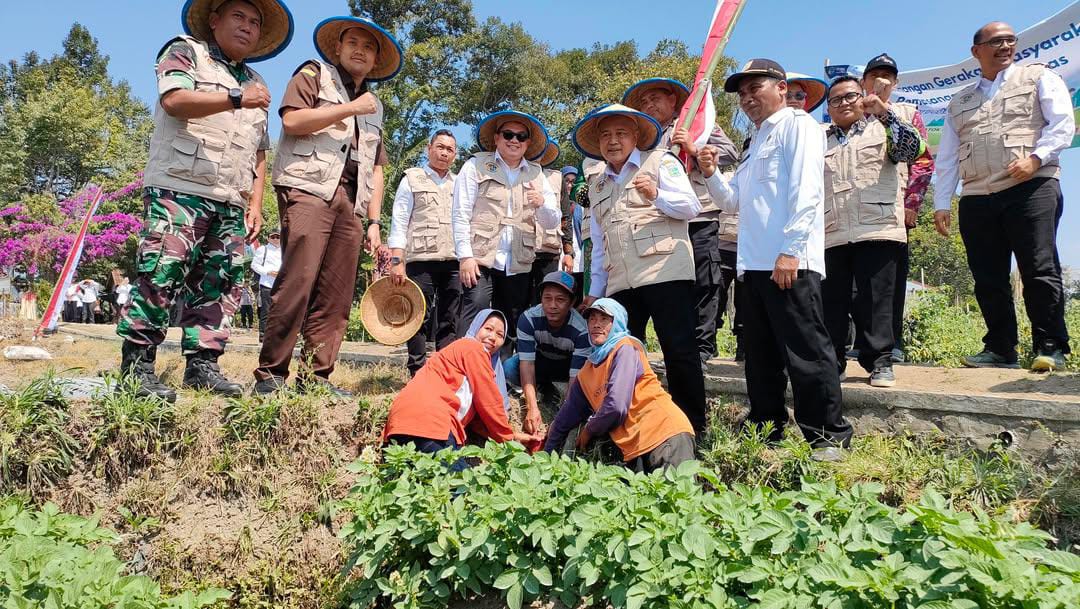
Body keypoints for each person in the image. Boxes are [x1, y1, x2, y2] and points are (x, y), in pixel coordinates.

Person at [115, 0, 290, 402]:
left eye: (255, 22)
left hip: (230, 199)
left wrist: (255, 203)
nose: (247, 27)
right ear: (214, 21)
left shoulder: (256, 81)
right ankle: (137, 367)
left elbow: (259, 151)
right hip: (179, 187)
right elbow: (174, 99)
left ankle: (203, 365)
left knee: (221, 281)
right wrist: (235, 97)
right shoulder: (186, 52)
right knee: (162, 271)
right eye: (238, 17)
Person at [702, 58, 854, 456]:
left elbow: (807, 191)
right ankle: (765, 426)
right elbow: (732, 201)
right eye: (742, 93)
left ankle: (827, 435)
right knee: (760, 355)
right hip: (754, 266)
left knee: (806, 351)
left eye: (756, 88)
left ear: (782, 88)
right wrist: (711, 173)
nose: (747, 98)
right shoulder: (755, 142)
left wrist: (790, 251)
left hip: (789, 263)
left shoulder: (798, 125)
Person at [254, 16, 398, 396]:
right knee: (298, 280)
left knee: (336, 293)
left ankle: (315, 378)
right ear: (338, 47)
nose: (360, 51)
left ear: (375, 60)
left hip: (351, 203)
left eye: (369, 48)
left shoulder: (375, 105)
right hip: (308, 189)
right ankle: (271, 375)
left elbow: (377, 167)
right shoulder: (314, 74)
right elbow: (292, 120)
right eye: (353, 43)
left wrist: (374, 222)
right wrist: (349, 109)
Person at [933, 22, 1074, 372]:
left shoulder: (1038, 77)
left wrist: (1036, 158)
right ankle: (1000, 348)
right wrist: (942, 203)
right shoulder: (960, 101)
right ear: (976, 51)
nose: (1005, 46)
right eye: (996, 41)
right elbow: (947, 156)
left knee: (1038, 268)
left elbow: (1062, 124)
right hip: (977, 195)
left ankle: (1050, 345)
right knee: (987, 276)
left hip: (1032, 186)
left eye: (1010, 40)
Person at [572, 104, 708, 436]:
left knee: (679, 350)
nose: (613, 141)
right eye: (606, 135)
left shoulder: (660, 161)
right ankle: (632, 426)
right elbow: (600, 244)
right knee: (622, 353)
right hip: (620, 282)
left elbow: (691, 207)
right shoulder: (597, 185)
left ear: (636, 136)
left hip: (665, 272)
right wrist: (595, 292)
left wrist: (656, 195)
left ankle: (691, 427)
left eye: (621, 133)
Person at [623, 78, 741, 366]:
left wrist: (693, 147)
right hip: (660, 219)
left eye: (655, 99)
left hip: (699, 215)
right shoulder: (645, 137)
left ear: (673, 100)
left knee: (705, 282)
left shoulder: (694, 126)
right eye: (644, 102)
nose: (649, 105)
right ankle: (673, 346)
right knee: (671, 285)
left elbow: (730, 153)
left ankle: (703, 346)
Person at [819, 75, 925, 388]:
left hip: (878, 228)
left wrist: (883, 112)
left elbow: (912, 149)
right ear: (829, 108)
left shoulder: (883, 127)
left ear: (862, 97)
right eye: (835, 100)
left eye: (850, 96)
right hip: (832, 232)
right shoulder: (820, 140)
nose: (843, 103)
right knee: (832, 304)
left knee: (877, 302)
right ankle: (833, 363)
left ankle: (880, 362)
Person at [544, 298, 695, 474]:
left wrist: (589, 430)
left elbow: (616, 406)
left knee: (678, 491)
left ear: (618, 323)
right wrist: (544, 459)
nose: (596, 324)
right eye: (592, 319)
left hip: (665, 435)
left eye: (604, 319)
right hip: (637, 447)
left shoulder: (626, 348)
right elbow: (564, 419)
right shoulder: (587, 371)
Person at [451, 110, 561, 349]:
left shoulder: (537, 173)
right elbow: (460, 213)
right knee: (474, 314)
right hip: (480, 259)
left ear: (528, 143)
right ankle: (462, 368)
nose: (514, 140)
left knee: (511, 322)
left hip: (519, 262)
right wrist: (465, 257)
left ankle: (502, 372)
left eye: (521, 136)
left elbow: (552, 222)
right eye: (508, 134)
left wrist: (541, 203)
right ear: (497, 138)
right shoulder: (475, 165)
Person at [859, 53, 936, 364]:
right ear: (863, 81)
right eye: (875, 75)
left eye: (888, 77)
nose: (881, 81)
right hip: (849, 208)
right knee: (851, 282)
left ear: (896, 83)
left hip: (891, 207)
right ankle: (859, 342)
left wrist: (912, 203)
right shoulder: (849, 111)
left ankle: (892, 343)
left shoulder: (906, 113)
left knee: (888, 280)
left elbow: (923, 161)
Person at [382, 309, 540, 458]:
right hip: (430, 424)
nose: (492, 337)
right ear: (475, 327)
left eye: (500, 335)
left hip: (399, 427)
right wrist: (508, 439)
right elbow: (489, 401)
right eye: (488, 329)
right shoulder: (472, 348)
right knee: (460, 477)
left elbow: (478, 422)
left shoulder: (458, 356)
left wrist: (515, 436)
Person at [388, 129, 462, 376]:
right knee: (418, 315)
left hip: (453, 259)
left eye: (449, 149)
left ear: (455, 155)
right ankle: (417, 371)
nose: (444, 153)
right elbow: (399, 220)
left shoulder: (460, 183)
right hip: (421, 259)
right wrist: (397, 260)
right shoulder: (412, 179)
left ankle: (445, 372)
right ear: (429, 149)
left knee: (450, 318)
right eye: (440, 147)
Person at [503, 271, 592, 433]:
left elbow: (575, 378)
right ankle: (543, 388)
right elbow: (527, 364)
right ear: (541, 298)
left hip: (567, 367)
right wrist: (531, 408)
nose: (552, 305)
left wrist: (561, 419)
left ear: (572, 302)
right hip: (541, 361)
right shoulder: (528, 319)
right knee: (509, 368)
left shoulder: (581, 331)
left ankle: (552, 390)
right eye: (547, 298)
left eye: (560, 300)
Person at [531, 141, 565, 306]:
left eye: (541, 150)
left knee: (546, 297)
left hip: (549, 249)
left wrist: (569, 252)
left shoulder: (557, 178)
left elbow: (565, 215)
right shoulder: (514, 175)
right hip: (523, 249)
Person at [250, 230, 281, 340]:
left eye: (278, 237)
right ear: (268, 238)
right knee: (266, 310)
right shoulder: (263, 249)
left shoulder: (285, 250)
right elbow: (254, 265)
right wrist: (268, 272)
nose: (275, 239)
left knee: (280, 310)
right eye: (273, 237)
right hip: (267, 283)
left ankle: (278, 334)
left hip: (281, 284)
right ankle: (263, 334)